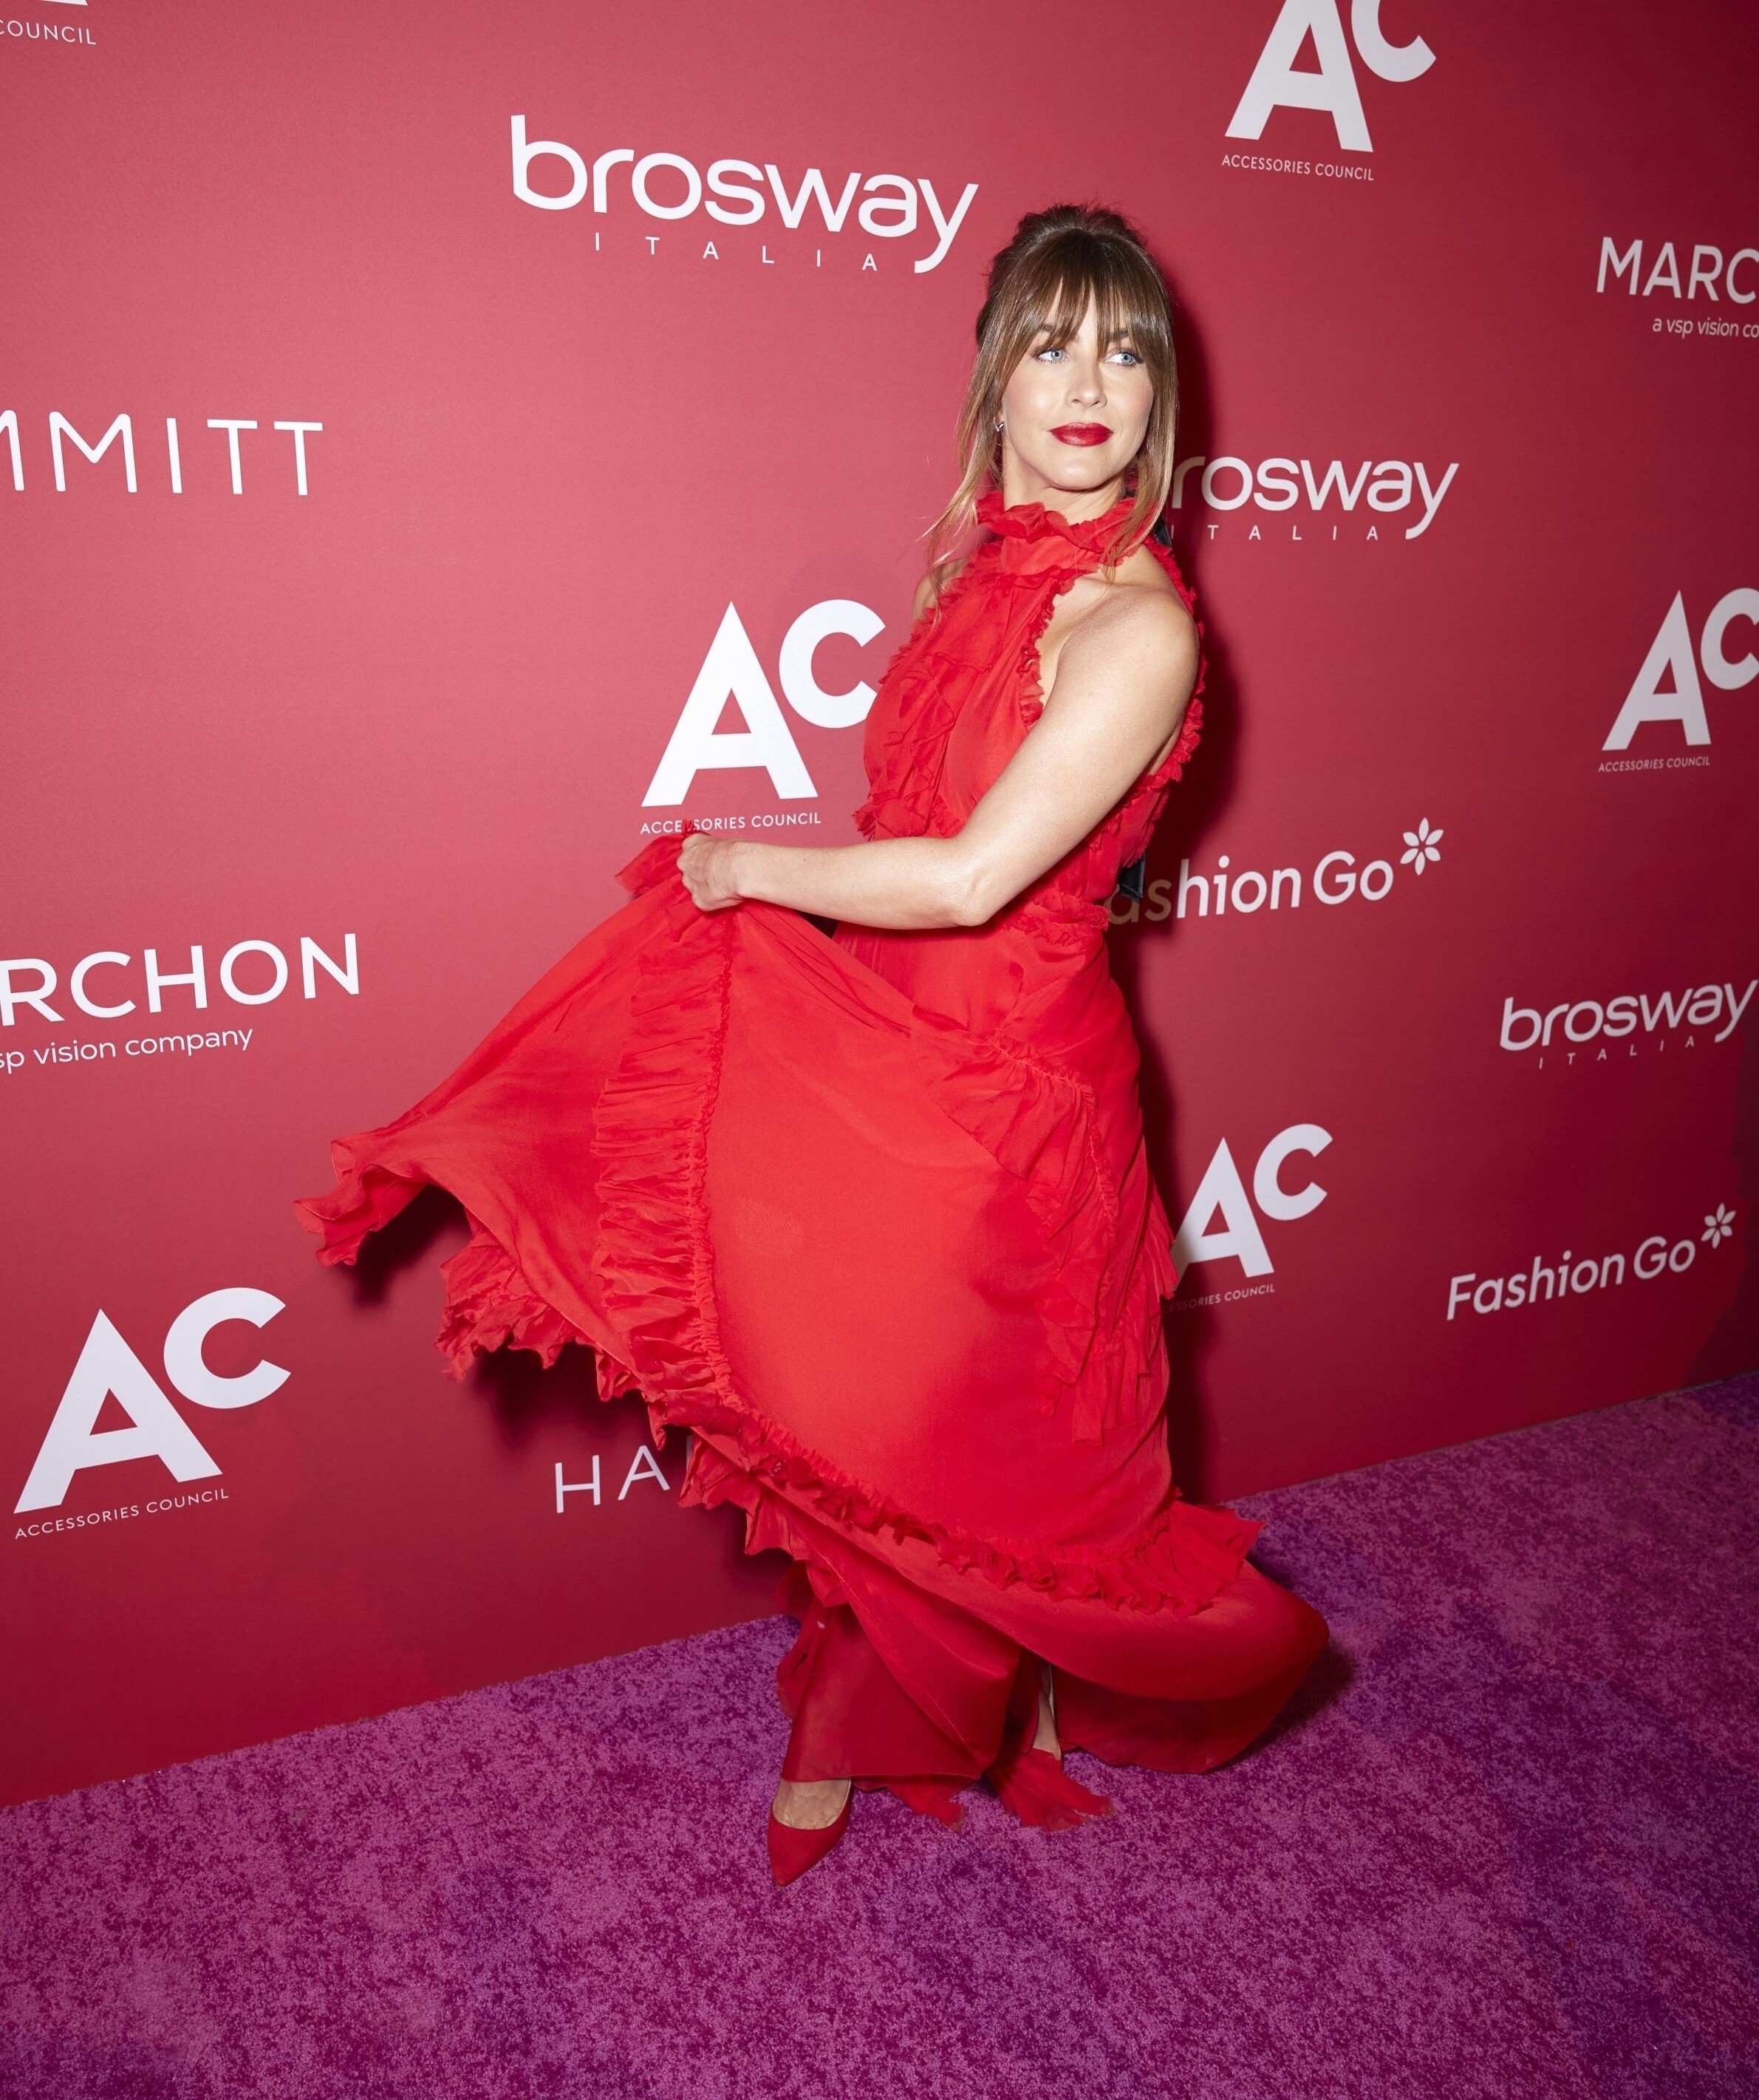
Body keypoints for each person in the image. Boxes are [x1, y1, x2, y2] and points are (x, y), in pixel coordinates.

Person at [298, 203, 1328, 1886]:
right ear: (995, 379)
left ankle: (981, 1704)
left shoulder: (1138, 628)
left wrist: (742, 865)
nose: (1087, 389)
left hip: (1010, 1094)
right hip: (883, 1035)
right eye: (1051, 347)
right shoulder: (972, 571)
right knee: (863, 1411)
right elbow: (918, 834)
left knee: (988, 1446)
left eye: (1122, 353)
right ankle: (933, 1702)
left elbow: (978, 875)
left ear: (1161, 391)